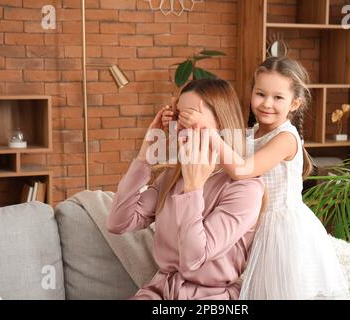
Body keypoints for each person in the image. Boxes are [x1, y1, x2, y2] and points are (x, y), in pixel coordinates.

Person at [172, 57, 350, 300]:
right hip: (248, 220)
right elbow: (215, 159)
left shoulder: (286, 138)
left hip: (279, 228)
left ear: (295, 103)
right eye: (260, 94)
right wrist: (176, 124)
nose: (267, 103)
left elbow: (242, 170)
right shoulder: (248, 133)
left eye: (278, 97)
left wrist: (210, 131)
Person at [107, 78, 265, 300]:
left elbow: (195, 258)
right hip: (158, 293)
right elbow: (118, 222)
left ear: (219, 123)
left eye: (190, 115)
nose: (181, 124)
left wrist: (194, 187)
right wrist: (145, 156)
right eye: (179, 115)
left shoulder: (245, 189)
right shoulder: (171, 178)